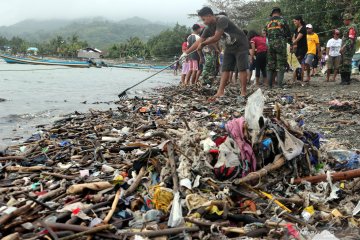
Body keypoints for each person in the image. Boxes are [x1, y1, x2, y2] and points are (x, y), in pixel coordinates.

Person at [183, 7, 249, 101]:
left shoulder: (222, 19)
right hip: (229, 46)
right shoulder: (208, 29)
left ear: (209, 16)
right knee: (225, 68)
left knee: (241, 68)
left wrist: (203, 44)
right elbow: (198, 42)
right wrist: (186, 53)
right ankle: (220, 91)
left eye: (204, 19)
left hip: (241, 44)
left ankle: (243, 91)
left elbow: (216, 37)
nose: (204, 22)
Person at [265, 7, 292, 88]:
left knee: (270, 65)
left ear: (272, 13)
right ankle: (279, 85)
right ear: (279, 13)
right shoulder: (283, 20)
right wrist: (291, 44)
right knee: (281, 65)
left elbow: (265, 33)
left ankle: (269, 85)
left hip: (270, 45)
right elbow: (288, 33)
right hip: (280, 44)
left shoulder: (267, 22)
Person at [340, 13, 357, 85]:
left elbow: (351, 39)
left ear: (347, 20)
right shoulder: (349, 27)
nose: (343, 21)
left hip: (348, 49)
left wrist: (343, 47)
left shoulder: (352, 27)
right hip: (346, 49)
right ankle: (344, 80)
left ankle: (346, 80)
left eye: (344, 20)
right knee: (343, 64)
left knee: (346, 64)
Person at [292, 15, 307, 81]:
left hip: (302, 49)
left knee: (299, 63)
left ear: (299, 21)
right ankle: (295, 79)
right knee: (296, 63)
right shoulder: (296, 29)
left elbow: (297, 39)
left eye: (295, 21)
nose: (294, 22)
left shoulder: (303, 28)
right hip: (297, 48)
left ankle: (300, 79)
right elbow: (293, 37)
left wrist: (292, 43)